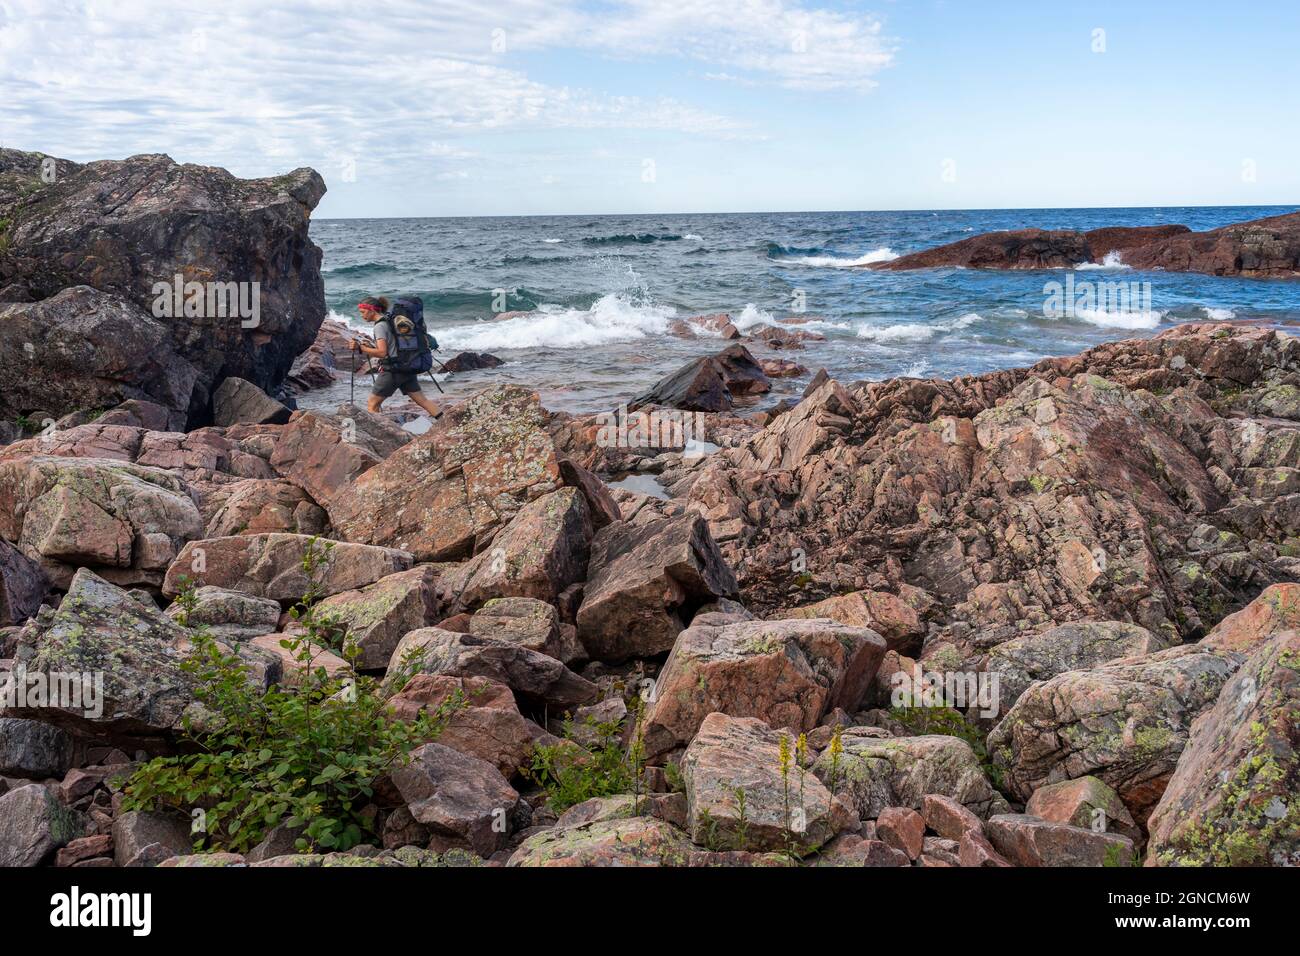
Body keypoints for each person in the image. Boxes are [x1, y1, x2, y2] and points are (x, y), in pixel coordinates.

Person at [352, 296, 441, 417]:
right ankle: (447, 423)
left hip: (393, 371)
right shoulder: (390, 320)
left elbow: (382, 352)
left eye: (363, 312)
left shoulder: (379, 326)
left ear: (372, 309)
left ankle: (382, 433)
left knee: (372, 404)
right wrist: (370, 346)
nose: (362, 315)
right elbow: (392, 345)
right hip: (406, 366)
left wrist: (361, 348)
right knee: (423, 401)